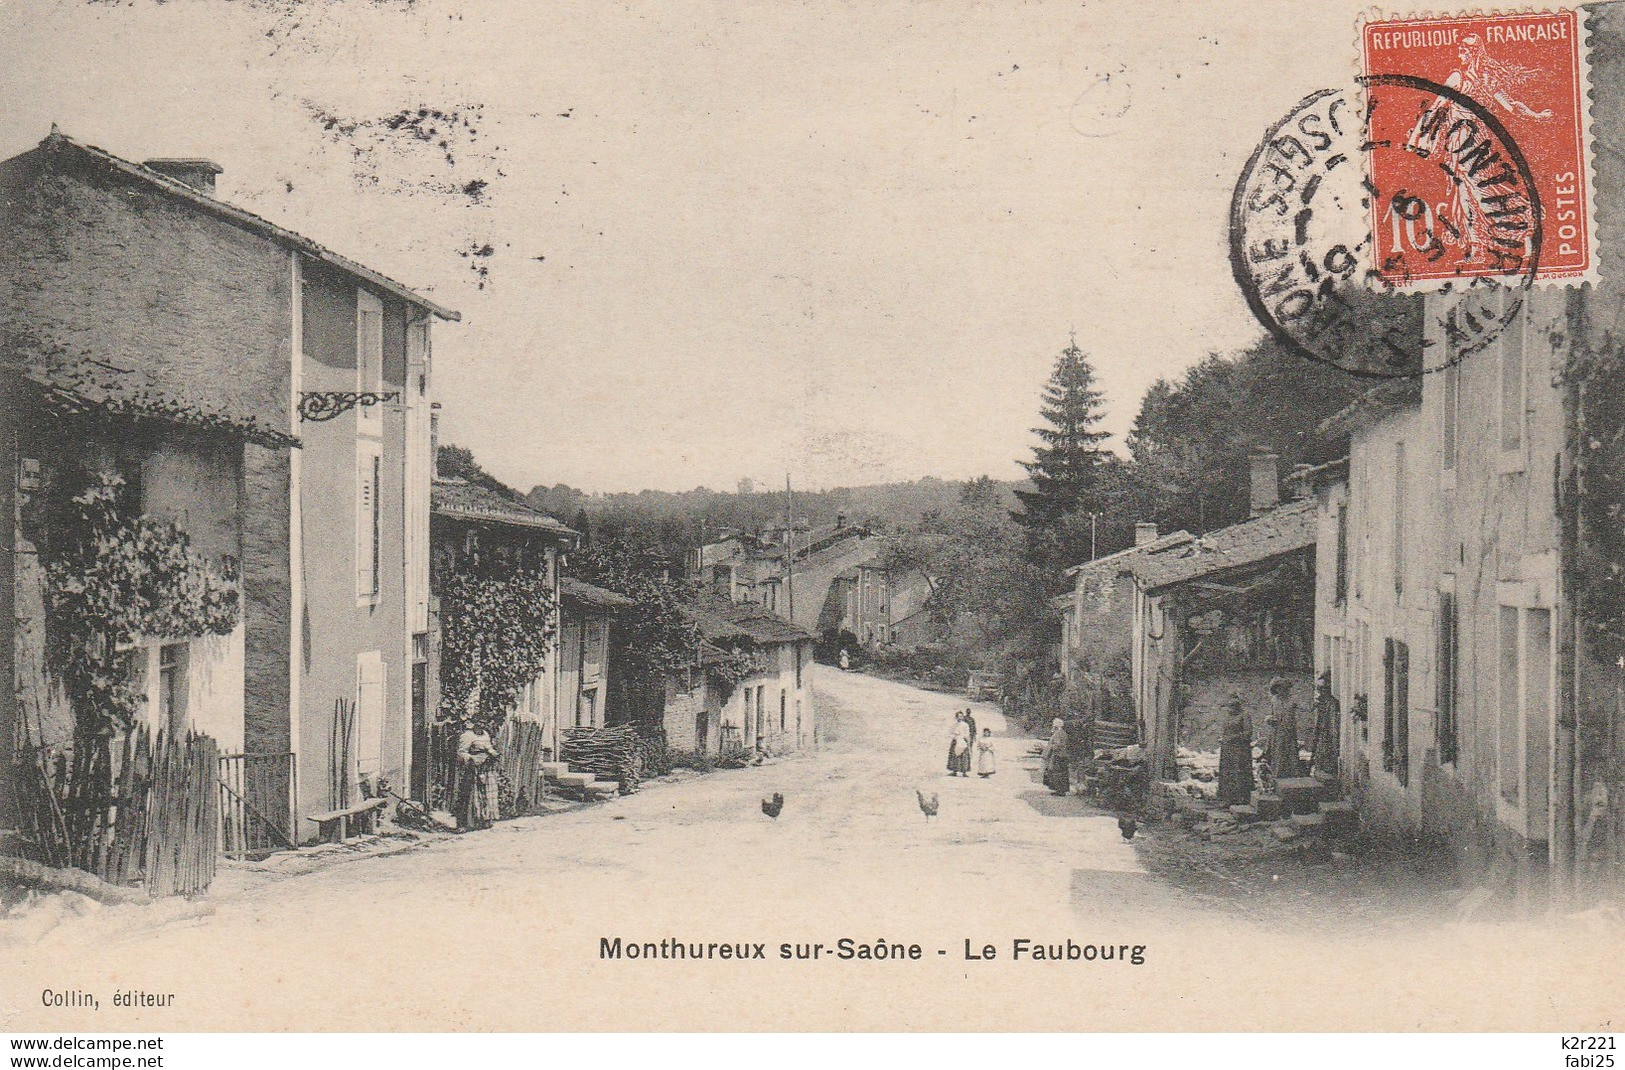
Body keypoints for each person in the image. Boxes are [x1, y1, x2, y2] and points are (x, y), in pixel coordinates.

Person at [455, 717, 501, 831]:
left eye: (484, 722)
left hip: (485, 768)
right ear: (474, 723)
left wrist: (493, 753)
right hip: (472, 769)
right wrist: (471, 759)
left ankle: (483, 820)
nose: (481, 725)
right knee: (469, 794)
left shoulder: (485, 735)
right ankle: (464, 823)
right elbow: (461, 752)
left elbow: (488, 747)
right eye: (479, 722)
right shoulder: (467, 736)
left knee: (485, 795)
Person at [1218, 694, 1254, 806]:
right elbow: (1226, 731)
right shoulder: (1228, 717)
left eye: (1232, 707)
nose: (1230, 710)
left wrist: (1233, 738)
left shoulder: (1244, 716)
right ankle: (1227, 798)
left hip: (1240, 750)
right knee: (1227, 773)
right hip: (1227, 749)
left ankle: (1241, 799)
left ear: (1237, 707)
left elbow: (1248, 733)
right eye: (1229, 707)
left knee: (1239, 772)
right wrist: (1223, 738)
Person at [1310, 670, 1340, 778]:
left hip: (1328, 733)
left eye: (1322, 689)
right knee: (1319, 755)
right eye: (1319, 689)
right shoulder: (1320, 702)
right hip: (1321, 732)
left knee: (1328, 756)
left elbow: (1332, 722)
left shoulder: (1332, 703)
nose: (1320, 691)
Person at [1041, 718, 1070, 796]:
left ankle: (1059, 790)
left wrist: (1050, 747)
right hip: (1062, 755)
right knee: (1061, 773)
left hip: (1058, 755)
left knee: (1057, 773)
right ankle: (1060, 790)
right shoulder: (1062, 733)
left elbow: (1057, 745)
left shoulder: (1058, 733)